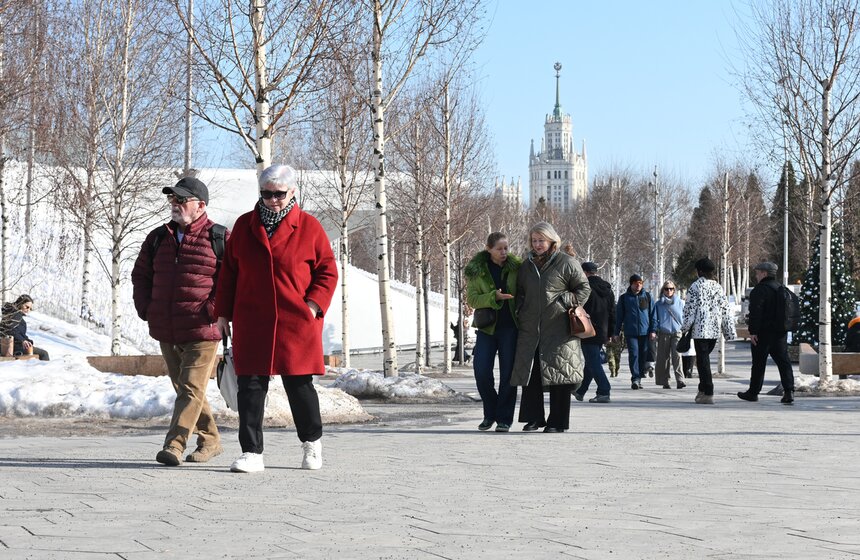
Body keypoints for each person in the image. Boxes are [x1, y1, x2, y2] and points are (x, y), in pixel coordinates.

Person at [215, 164, 338, 473]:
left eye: (279, 194)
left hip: (295, 321)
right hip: (252, 319)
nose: (272, 200)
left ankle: (311, 443)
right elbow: (229, 273)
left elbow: (327, 270)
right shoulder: (244, 226)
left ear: (292, 192)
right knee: (251, 387)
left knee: (299, 386)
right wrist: (223, 313)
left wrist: (312, 305)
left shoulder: (309, 227)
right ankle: (251, 452)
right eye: (266, 194)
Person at [131, 177, 228, 466]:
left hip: (203, 329)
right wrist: (147, 307)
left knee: (189, 387)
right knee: (188, 389)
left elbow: (230, 281)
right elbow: (140, 275)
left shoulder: (219, 237)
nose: (175, 205)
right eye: (172, 199)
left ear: (200, 205)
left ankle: (174, 444)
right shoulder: (158, 237)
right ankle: (211, 441)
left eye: (181, 200)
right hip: (166, 327)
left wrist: (212, 310)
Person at [511, 222, 591, 433]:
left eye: (541, 240)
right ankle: (533, 418)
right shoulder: (526, 265)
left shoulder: (567, 262)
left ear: (552, 240)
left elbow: (584, 288)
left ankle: (557, 421)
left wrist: (565, 301)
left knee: (560, 374)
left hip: (559, 328)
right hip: (531, 328)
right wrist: (520, 309)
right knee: (532, 373)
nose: (537, 244)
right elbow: (520, 292)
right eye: (534, 240)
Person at [465, 232, 522, 432]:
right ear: (488, 248)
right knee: (481, 372)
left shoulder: (517, 268)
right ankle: (490, 413)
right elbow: (472, 299)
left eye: (506, 247)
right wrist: (493, 297)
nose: (504, 252)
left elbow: (525, 292)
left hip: (511, 328)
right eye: (499, 248)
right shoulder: (477, 270)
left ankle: (504, 418)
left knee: (508, 375)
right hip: (487, 328)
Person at [737, 262, 795, 405]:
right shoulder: (781, 288)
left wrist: (753, 332)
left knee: (758, 363)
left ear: (764, 273)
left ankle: (753, 392)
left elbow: (756, 313)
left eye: (758, 272)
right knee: (784, 362)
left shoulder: (760, 290)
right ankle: (789, 392)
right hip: (780, 333)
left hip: (763, 333)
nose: (756, 275)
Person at [681, 258, 736, 404]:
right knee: (703, 359)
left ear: (699, 271)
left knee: (702, 361)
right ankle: (702, 389)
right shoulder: (718, 287)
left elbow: (689, 310)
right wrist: (729, 331)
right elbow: (725, 309)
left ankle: (708, 390)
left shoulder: (695, 287)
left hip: (700, 330)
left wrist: (684, 328)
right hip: (714, 331)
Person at [574, 262, 615, 403]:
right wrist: (610, 332)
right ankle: (580, 390)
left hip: (587, 329)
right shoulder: (608, 289)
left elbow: (578, 308)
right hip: (602, 330)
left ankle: (604, 390)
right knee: (592, 361)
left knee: (593, 362)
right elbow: (612, 312)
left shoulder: (585, 288)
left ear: (584, 272)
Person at [613, 274, 656, 389]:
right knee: (634, 354)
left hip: (645, 332)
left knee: (643, 355)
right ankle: (635, 378)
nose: (638, 285)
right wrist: (616, 333)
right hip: (630, 332)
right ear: (631, 284)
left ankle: (640, 376)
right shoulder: (624, 298)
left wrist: (653, 330)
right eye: (636, 283)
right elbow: (619, 317)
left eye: (640, 283)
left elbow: (653, 315)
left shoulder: (647, 296)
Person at [654, 280, 686, 389]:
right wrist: (655, 329)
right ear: (663, 290)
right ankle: (665, 381)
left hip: (677, 332)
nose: (669, 291)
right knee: (664, 358)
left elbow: (685, 317)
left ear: (674, 290)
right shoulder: (658, 304)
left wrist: (685, 329)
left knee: (677, 356)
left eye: (671, 289)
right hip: (664, 333)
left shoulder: (680, 302)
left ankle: (680, 380)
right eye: (666, 289)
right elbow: (654, 319)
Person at [0, 295, 49, 360]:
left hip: (11, 345)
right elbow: (10, 331)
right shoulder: (16, 315)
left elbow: (16, 332)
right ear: (20, 304)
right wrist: (23, 340)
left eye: (30, 308)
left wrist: (27, 340)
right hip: (13, 347)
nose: (28, 310)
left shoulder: (10, 313)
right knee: (44, 354)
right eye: (27, 307)